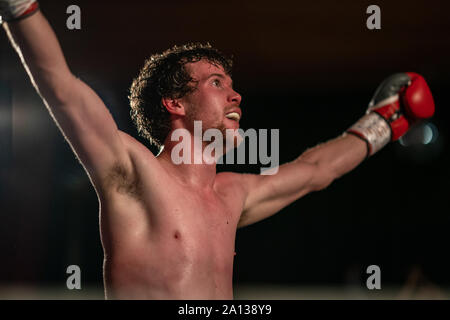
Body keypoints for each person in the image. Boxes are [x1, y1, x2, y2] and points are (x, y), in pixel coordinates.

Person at [0, 1, 435, 299]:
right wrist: (20, 8)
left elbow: (317, 169)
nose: (236, 96)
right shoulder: (131, 172)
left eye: (231, 84)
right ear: (175, 104)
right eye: (216, 83)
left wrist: (381, 123)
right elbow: (59, 87)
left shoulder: (234, 193)